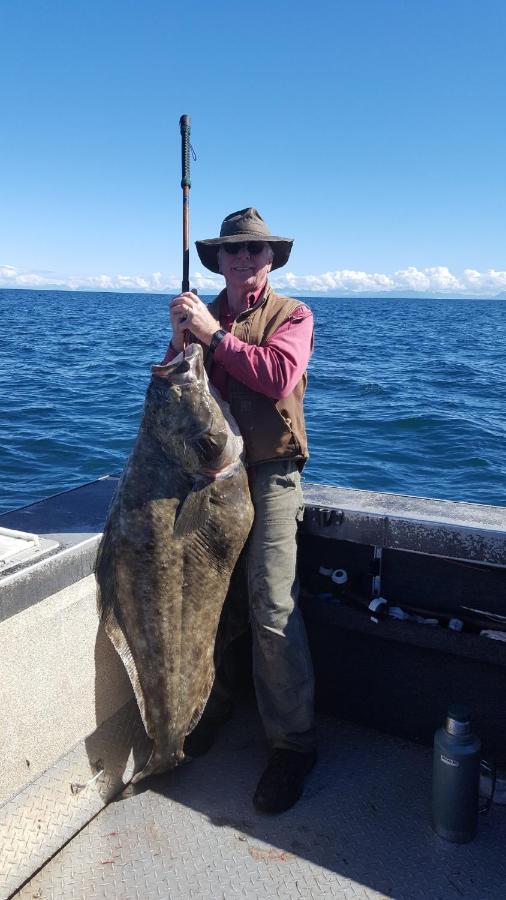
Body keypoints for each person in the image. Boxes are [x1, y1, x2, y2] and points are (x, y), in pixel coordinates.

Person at [163, 207, 316, 813]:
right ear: (219, 262)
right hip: (210, 482)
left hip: (271, 475)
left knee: (273, 605)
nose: (244, 260)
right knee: (213, 599)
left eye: (255, 252)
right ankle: (216, 701)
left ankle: (293, 745)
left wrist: (213, 337)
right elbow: (176, 389)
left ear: (271, 260)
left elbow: (279, 376)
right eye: (233, 252)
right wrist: (180, 342)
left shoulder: (295, 315)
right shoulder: (201, 321)